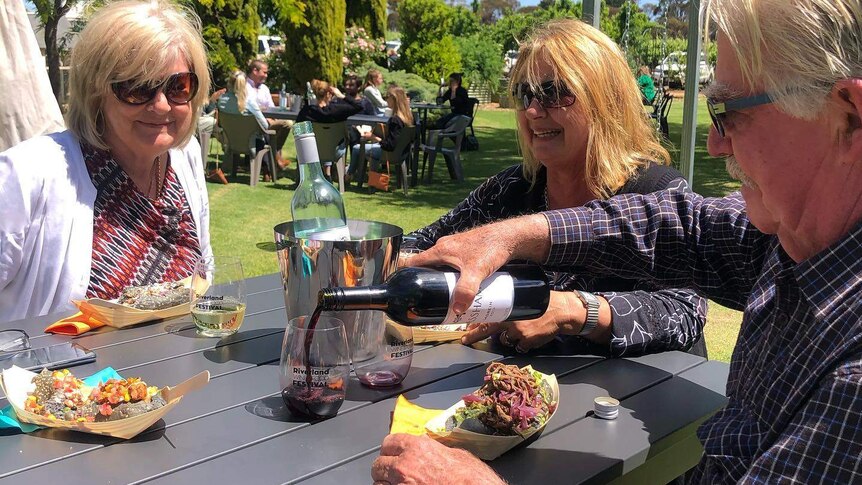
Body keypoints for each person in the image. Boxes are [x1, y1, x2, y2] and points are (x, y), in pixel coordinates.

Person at [373, 1, 862, 483]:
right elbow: (680, 228)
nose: (714, 143)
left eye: (728, 111)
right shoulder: (789, 239)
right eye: (524, 93)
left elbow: (682, 309)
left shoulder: (850, 376)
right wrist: (512, 234)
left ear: (849, 116)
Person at [407, 20, 706, 356]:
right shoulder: (513, 188)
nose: (533, 111)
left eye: (554, 92)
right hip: (518, 398)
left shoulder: (659, 192)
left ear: (606, 100)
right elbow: (426, 244)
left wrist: (574, 311)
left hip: (639, 398)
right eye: (524, 94)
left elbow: (684, 311)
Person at [0, 0, 212, 322]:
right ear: (96, 91)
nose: (161, 105)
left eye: (178, 86)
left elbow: (203, 269)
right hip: (59, 371)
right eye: (137, 87)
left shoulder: (185, 157)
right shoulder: (27, 174)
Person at [296, 79, 363, 178]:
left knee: (316, 143)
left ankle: (303, 178)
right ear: (329, 94)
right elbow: (359, 106)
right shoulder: (338, 110)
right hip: (335, 152)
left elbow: (297, 130)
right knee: (330, 144)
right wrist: (342, 96)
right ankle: (328, 176)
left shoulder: (307, 112)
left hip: (311, 151)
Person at [347, 85, 416, 180]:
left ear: (394, 99)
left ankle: (349, 175)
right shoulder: (409, 118)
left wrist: (373, 137)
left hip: (388, 153)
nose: (386, 99)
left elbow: (389, 145)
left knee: (356, 148)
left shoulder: (395, 120)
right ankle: (355, 175)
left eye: (387, 97)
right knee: (363, 147)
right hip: (402, 154)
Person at [218, 70, 275, 181]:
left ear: (229, 83)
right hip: (251, 143)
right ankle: (268, 170)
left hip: (231, 141)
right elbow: (264, 125)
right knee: (267, 136)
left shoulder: (222, 100)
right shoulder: (249, 102)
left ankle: (266, 170)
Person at [246, 59, 292, 168]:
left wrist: (271, 117)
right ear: (255, 71)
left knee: (288, 123)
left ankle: (274, 153)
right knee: (277, 127)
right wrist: (261, 112)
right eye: (264, 72)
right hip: (250, 124)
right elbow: (247, 107)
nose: (266, 75)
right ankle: (275, 158)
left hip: (267, 122)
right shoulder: (244, 86)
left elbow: (271, 107)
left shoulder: (264, 89)